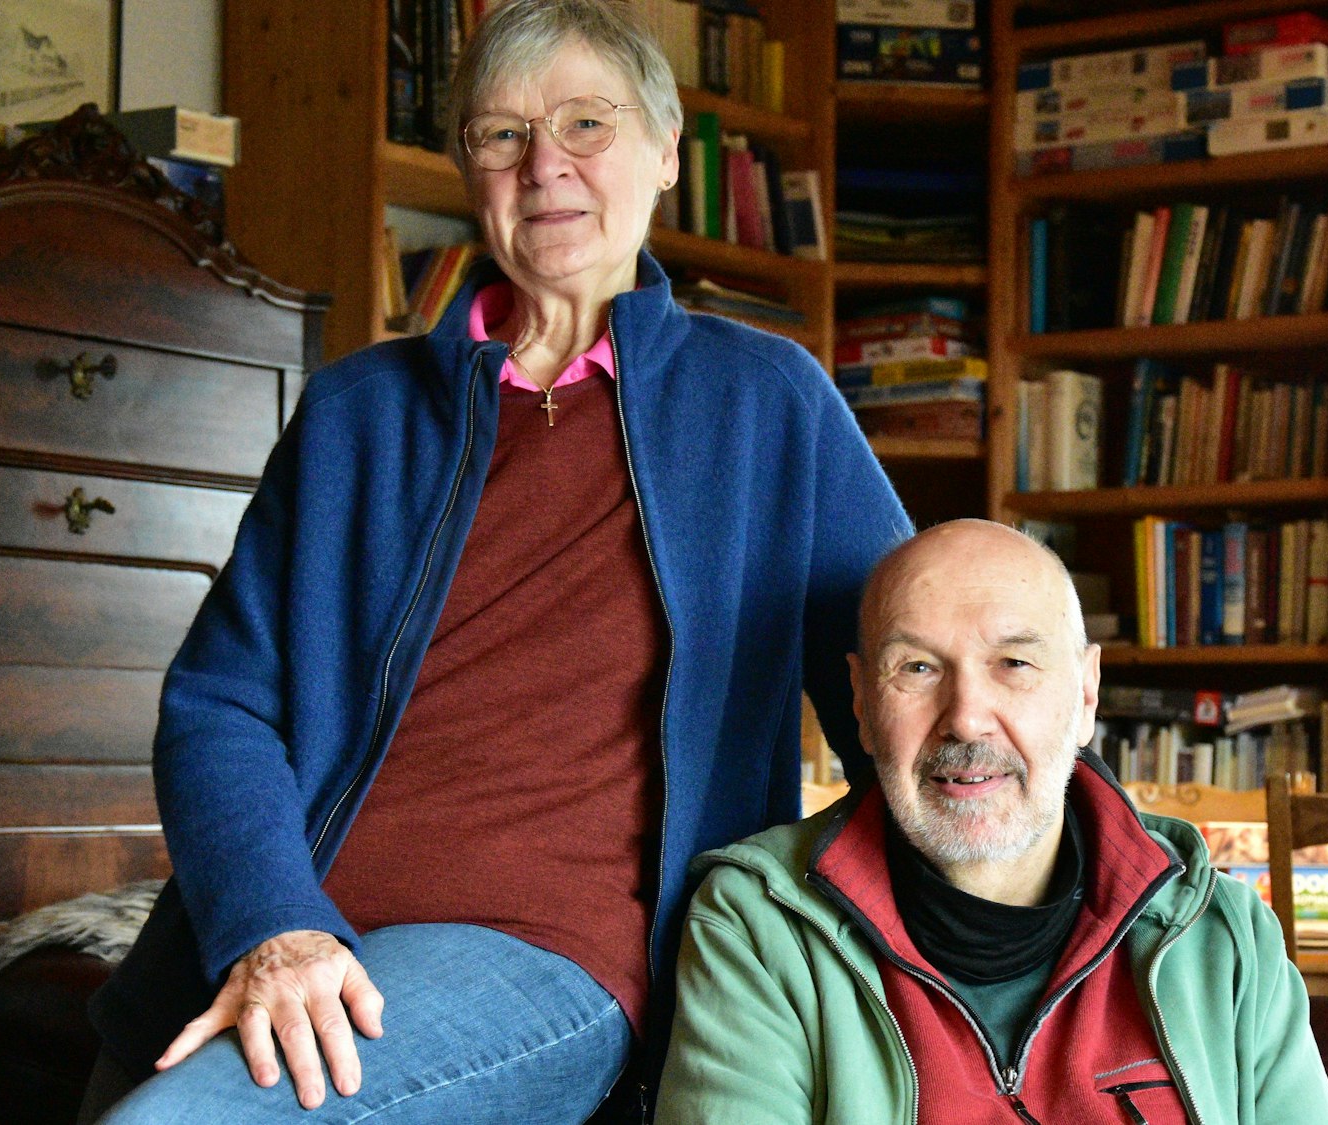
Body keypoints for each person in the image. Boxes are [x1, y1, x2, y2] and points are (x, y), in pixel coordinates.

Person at [79, 0, 909, 1120]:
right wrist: (273, 924)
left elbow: (912, 676)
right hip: (286, 939)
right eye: (501, 135)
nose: (543, 166)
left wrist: (1093, 881)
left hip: (548, 949)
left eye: (584, 125)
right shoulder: (355, 416)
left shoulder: (764, 403)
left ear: (664, 153)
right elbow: (220, 705)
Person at [655, 520, 1328, 1124]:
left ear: (1084, 694)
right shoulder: (760, 927)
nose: (966, 715)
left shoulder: (1223, 935)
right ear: (862, 702)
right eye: (918, 667)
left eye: (1013, 663)